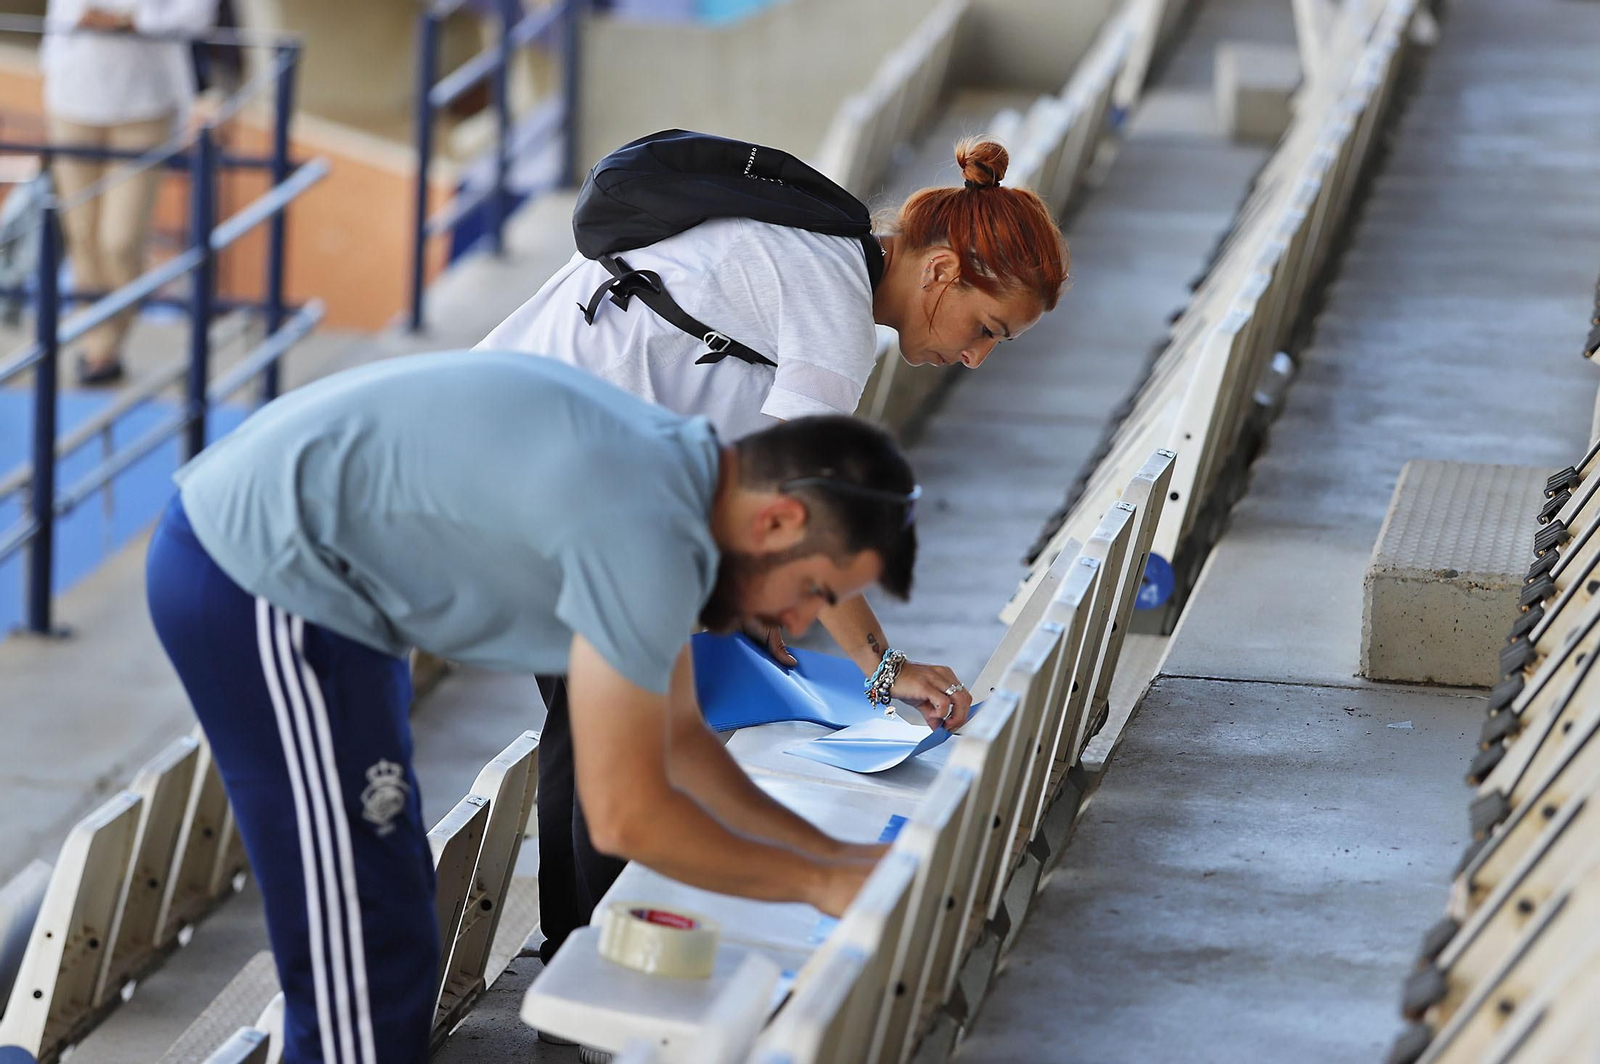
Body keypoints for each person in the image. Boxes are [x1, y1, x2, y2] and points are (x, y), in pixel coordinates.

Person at [146, 349, 919, 1064]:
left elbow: (681, 741)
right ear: (778, 521)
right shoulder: (646, 531)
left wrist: (833, 859)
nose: (795, 623)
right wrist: (816, 885)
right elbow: (630, 817)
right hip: (257, 575)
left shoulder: (682, 488)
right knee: (365, 947)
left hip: (336, 590)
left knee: (390, 907)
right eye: (814, 591)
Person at [479, 135, 1067, 957]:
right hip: (534, 469)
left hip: (525, 446)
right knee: (622, 731)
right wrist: (882, 666)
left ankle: (576, 961)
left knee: (592, 725)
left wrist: (830, 638)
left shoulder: (817, 257)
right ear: (940, 274)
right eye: (987, 328)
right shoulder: (832, 299)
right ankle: (599, 970)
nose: (974, 357)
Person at [40, 0, 218, 385]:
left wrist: (130, 21)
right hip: (72, 97)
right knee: (82, 234)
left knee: (121, 239)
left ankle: (109, 340)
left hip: (147, 102)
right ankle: (96, 345)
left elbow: (197, 15)